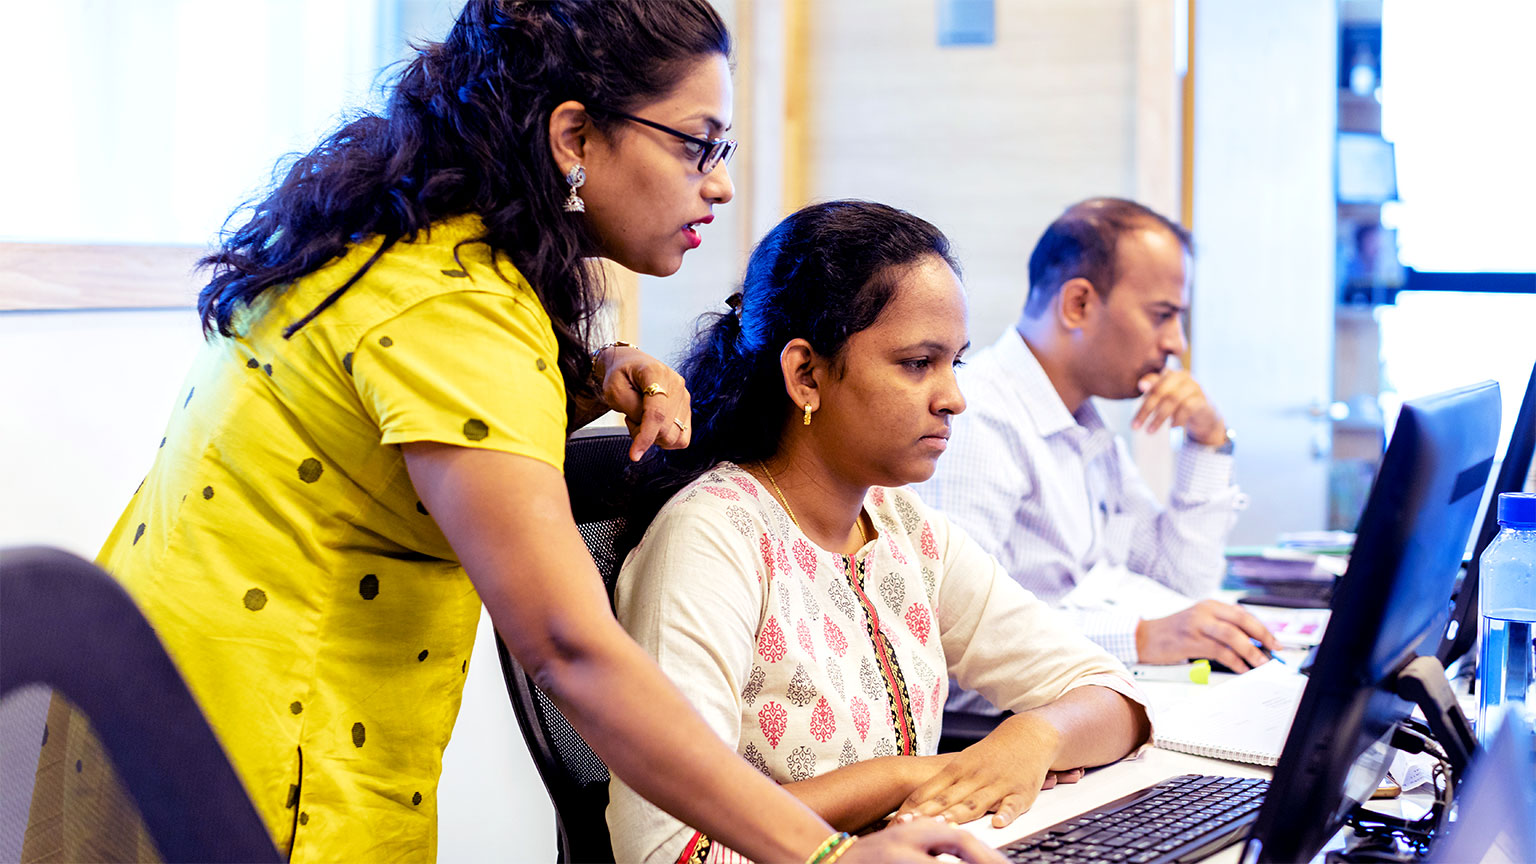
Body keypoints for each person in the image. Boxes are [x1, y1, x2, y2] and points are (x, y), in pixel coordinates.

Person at [21, 4, 1001, 863]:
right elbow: (568, 647)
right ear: (575, 136)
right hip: (259, 742)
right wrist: (827, 854)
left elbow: (399, 410)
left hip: (172, 707)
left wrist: (590, 372)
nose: (720, 187)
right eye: (696, 146)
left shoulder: (423, 250)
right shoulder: (454, 307)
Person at [607, 200, 1153, 863]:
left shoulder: (905, 530)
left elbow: (1114, 696)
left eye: (955, 363)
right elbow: (671, 846)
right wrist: (903, 778)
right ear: (806, 375)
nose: (954, 398)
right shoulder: (712, 538)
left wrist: (1035, 738)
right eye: (918, 363)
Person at [913, 198, 1277, 713]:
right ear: (1078, 304)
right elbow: (952, 639)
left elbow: (1181, 581)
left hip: (1084, 702)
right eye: (1163, 315)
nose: (1177, 343)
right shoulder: (978, 421)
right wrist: (1143, 637)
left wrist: (1209, 441)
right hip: (1016, 730)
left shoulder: (1082, 422)